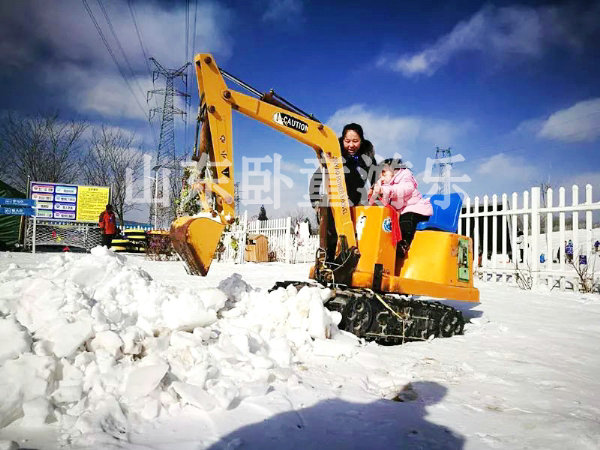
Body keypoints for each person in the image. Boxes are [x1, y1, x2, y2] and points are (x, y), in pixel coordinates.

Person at [310, 123, 377, 260]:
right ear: (342, 141)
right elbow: (317, 177)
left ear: (361, 141)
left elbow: (377, 180)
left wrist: (377, 197)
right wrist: (315, 200)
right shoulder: (335, 156)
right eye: (347, 141)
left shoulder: (367, 159)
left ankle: (350, 263)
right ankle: (329, 264)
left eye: (355, 141)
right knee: (332, 234)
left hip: (355, 204)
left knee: (354, 237)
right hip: (334, 204)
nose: (351, 145)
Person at [370, 159, 432, 257]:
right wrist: (375, 196)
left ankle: (404, 244)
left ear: (394, 170)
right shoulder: (387, 185)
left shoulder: (405, 177)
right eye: (379, 174)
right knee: (388, 223)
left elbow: (404, 189)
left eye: (383, 172)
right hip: (401, 211)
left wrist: (385, 190)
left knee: (406, 221)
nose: (381, 177)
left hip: (416, 208)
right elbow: (385, 204)